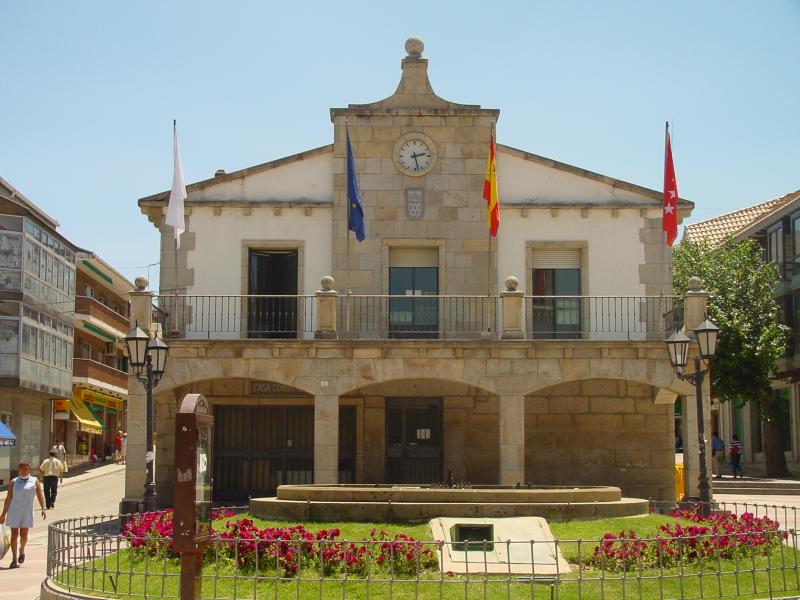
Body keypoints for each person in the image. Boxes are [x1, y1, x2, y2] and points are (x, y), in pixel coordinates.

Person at [0, 462, 47, 568]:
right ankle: (14, 559)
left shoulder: (34, 481)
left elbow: (40, 495)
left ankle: (22, 550)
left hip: (27, 512)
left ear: (29, 470)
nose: (24, 470)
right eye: (22, 468)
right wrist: (3, 514)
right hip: (14, 511)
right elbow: (8, 498)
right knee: (14, 535)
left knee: (24, 535)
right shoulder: (14, 482)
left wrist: (43, 508)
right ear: (19, 470)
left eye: (26, 468)